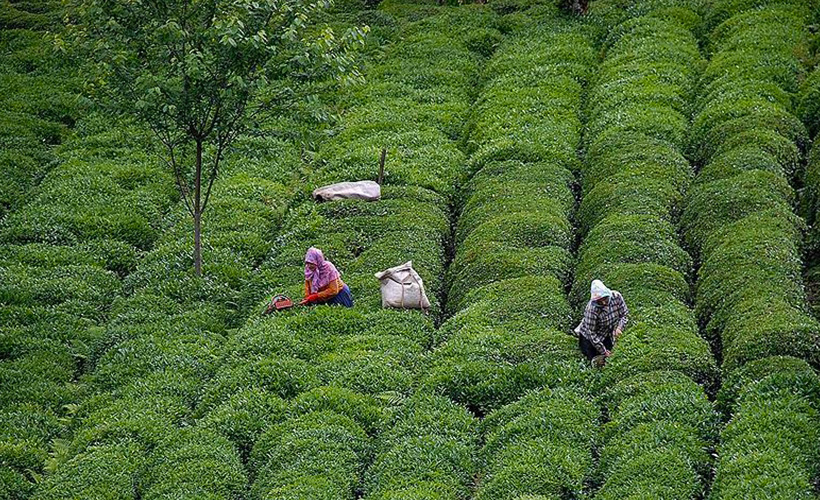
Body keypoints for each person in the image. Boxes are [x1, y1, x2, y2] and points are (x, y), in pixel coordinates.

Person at [575, 279, 628, 363]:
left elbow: (624, 315)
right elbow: (591, 333)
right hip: (589, 338)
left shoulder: (617, 297)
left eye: (605, 299)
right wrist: (603, 351)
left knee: (609, 357)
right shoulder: (592, 309)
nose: (603, 302)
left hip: (606, 332)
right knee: (591, 358)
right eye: (599, 301)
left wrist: (619, 327)